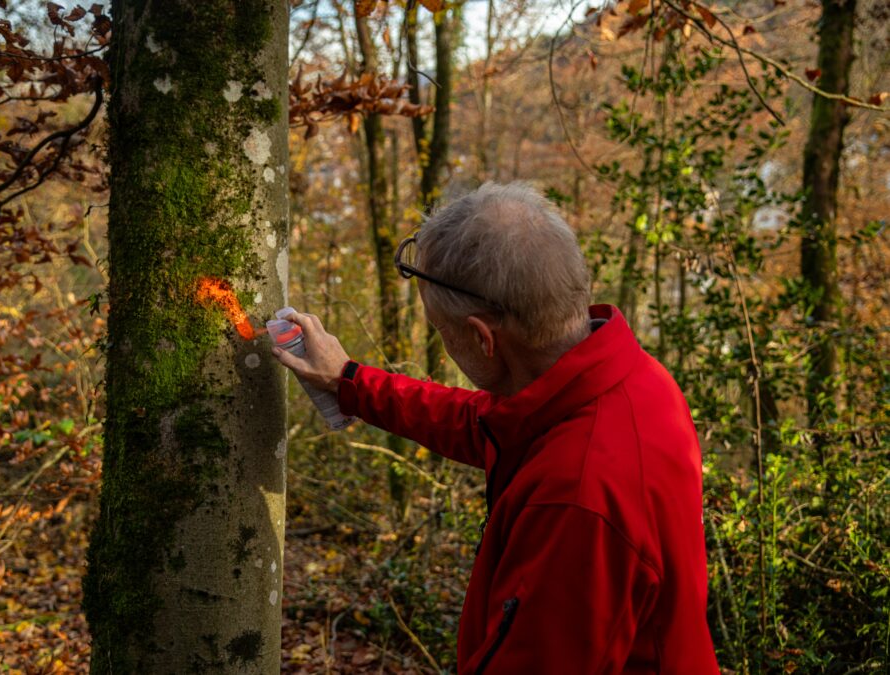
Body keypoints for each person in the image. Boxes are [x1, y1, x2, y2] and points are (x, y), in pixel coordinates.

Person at [272, 183, 719, 674]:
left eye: (443, 333)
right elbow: (483, 423)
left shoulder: (576, 496)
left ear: (483, 339)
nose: (444, 343)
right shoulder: (624, 381)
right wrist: (350, 383)